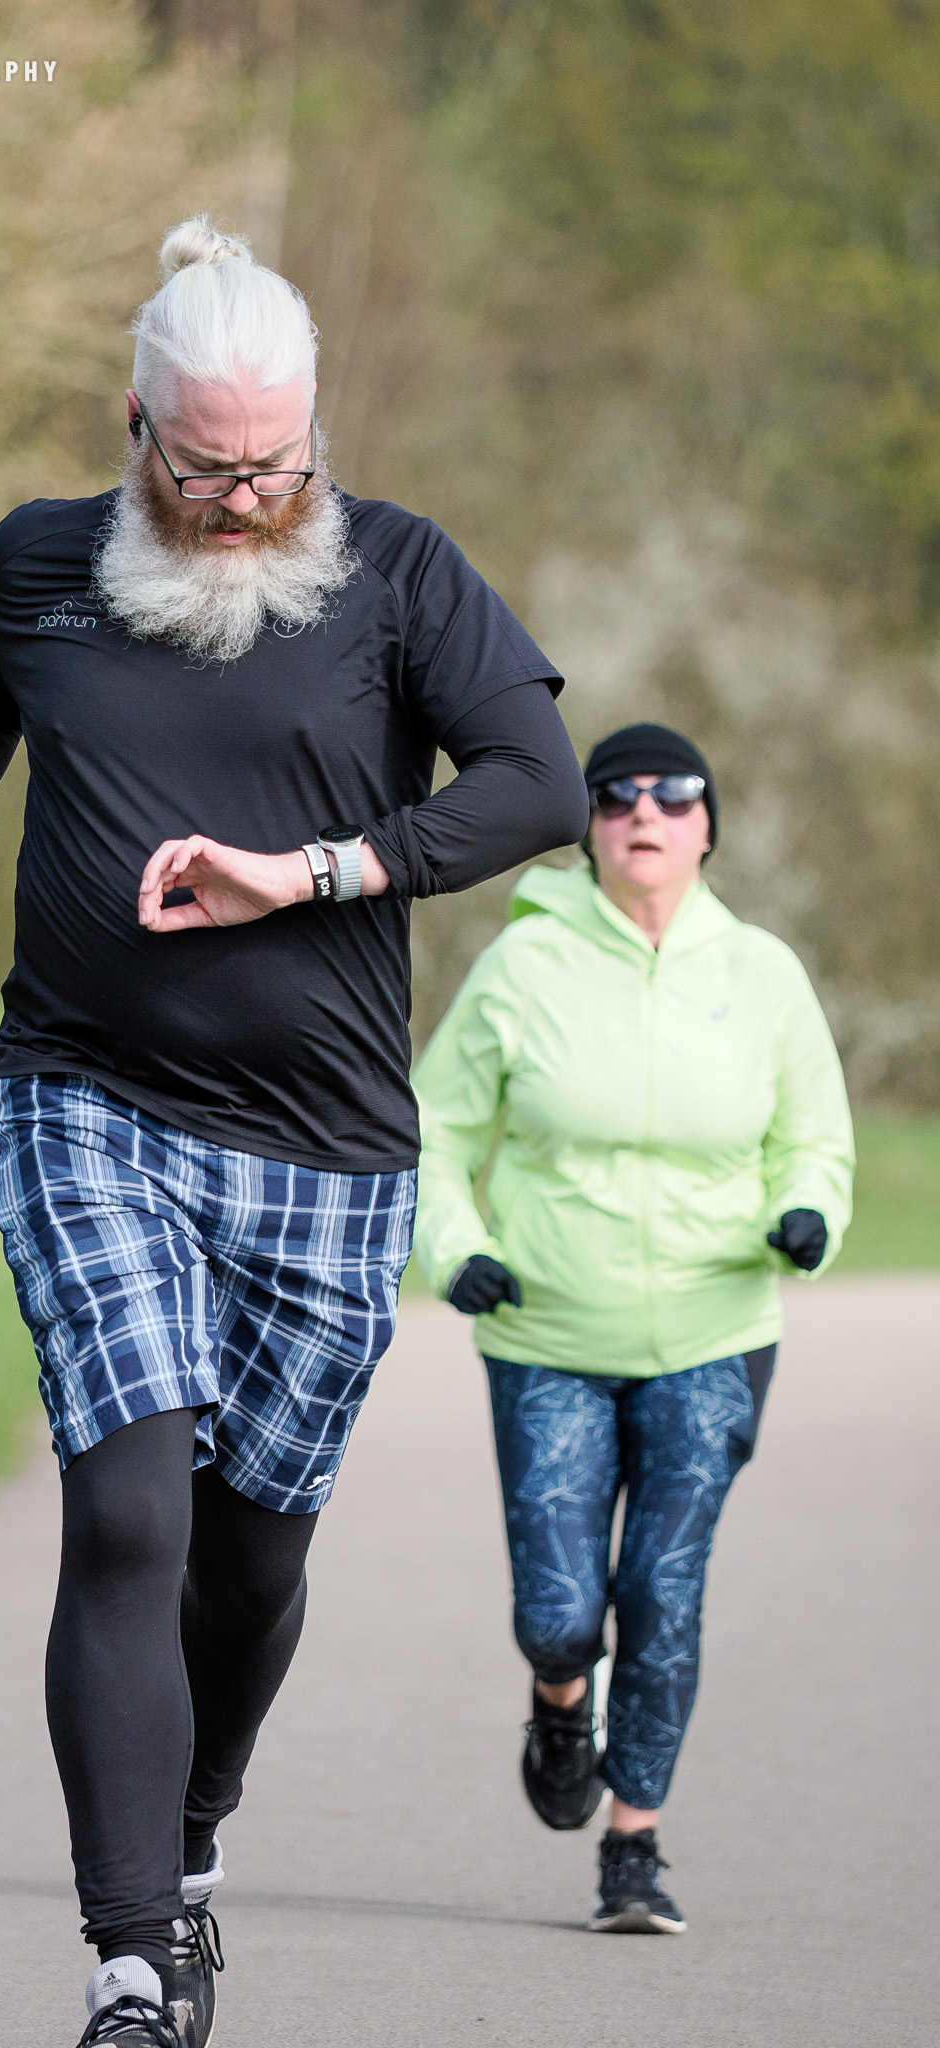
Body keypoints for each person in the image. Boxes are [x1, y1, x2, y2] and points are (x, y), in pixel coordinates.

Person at [0, 214, 589, 2044]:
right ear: (137, 425)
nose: (248, 493)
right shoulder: (37, 566)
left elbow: (539, 784)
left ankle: (190, 1840)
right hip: (85, 1097)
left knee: (253, 1545)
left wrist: (324, 868)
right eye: (208, 464)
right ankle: (125, 1952)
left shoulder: (400, 578)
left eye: (277, 461)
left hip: (329, 1142)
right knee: (125, 1506)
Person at [413, 722, 855, 1934]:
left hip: (716, 1332)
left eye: (672, 795)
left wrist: (808, 1210)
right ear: (590, 826)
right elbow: (435, 1135)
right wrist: (459, 1253)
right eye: (616, 798)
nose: (643, 813)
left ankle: (635, 1843)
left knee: (662, 1588)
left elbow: (812, 1135)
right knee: (562, 1610)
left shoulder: (762, 972)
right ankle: (562, 1695)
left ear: (709, 824)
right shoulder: (523, 967)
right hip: (546, 1328)